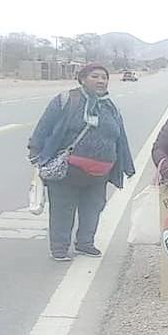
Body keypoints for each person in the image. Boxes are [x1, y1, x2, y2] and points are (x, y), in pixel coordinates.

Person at [28, 63, 135, 261]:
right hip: (68, 170)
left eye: (104, 77)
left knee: (93, 208)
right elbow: (44, 127)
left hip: (99, 174)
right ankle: (59, 248)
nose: (101, 80)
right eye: (95, 76)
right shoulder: (67, 100)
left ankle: (85, 243)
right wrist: (36, 154)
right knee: (62, 209)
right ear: (82, 79)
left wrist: (125, 165)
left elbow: (120, 138)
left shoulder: (110, 107)